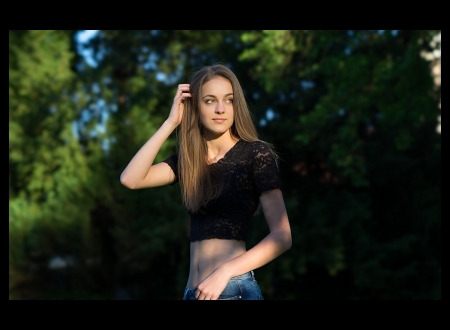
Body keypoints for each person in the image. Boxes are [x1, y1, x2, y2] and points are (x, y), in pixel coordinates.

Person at [120, 63, 292, 300]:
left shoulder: (255, 154)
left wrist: (224, 272)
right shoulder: (189, 161)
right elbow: (131, 179)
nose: (221, 109)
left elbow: (282, 236)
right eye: (210, 100)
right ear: (195, 107)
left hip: (232, 289)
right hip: (193, 292)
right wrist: (170, 122)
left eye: (229, 100)